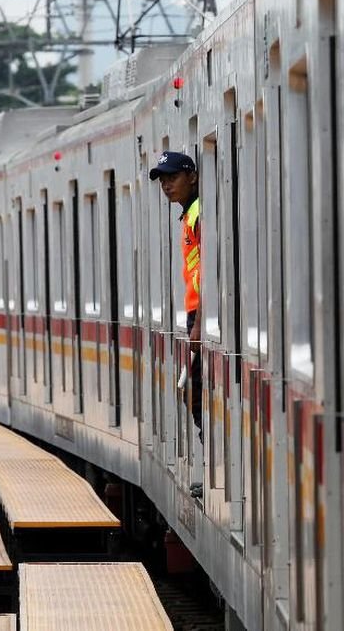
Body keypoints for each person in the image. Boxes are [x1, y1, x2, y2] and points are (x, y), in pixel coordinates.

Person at [150, 151, 204, 499]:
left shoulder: (200, 214)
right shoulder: (188, 215)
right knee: (191, 391)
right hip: (195, 314)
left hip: (202, 316)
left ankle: (207, 466)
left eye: (173, 177)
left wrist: (199, 326)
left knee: (194, 392)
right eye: (162, 179)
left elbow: (212, 269)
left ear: (193, 176)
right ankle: (206, 463)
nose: (167, 184)